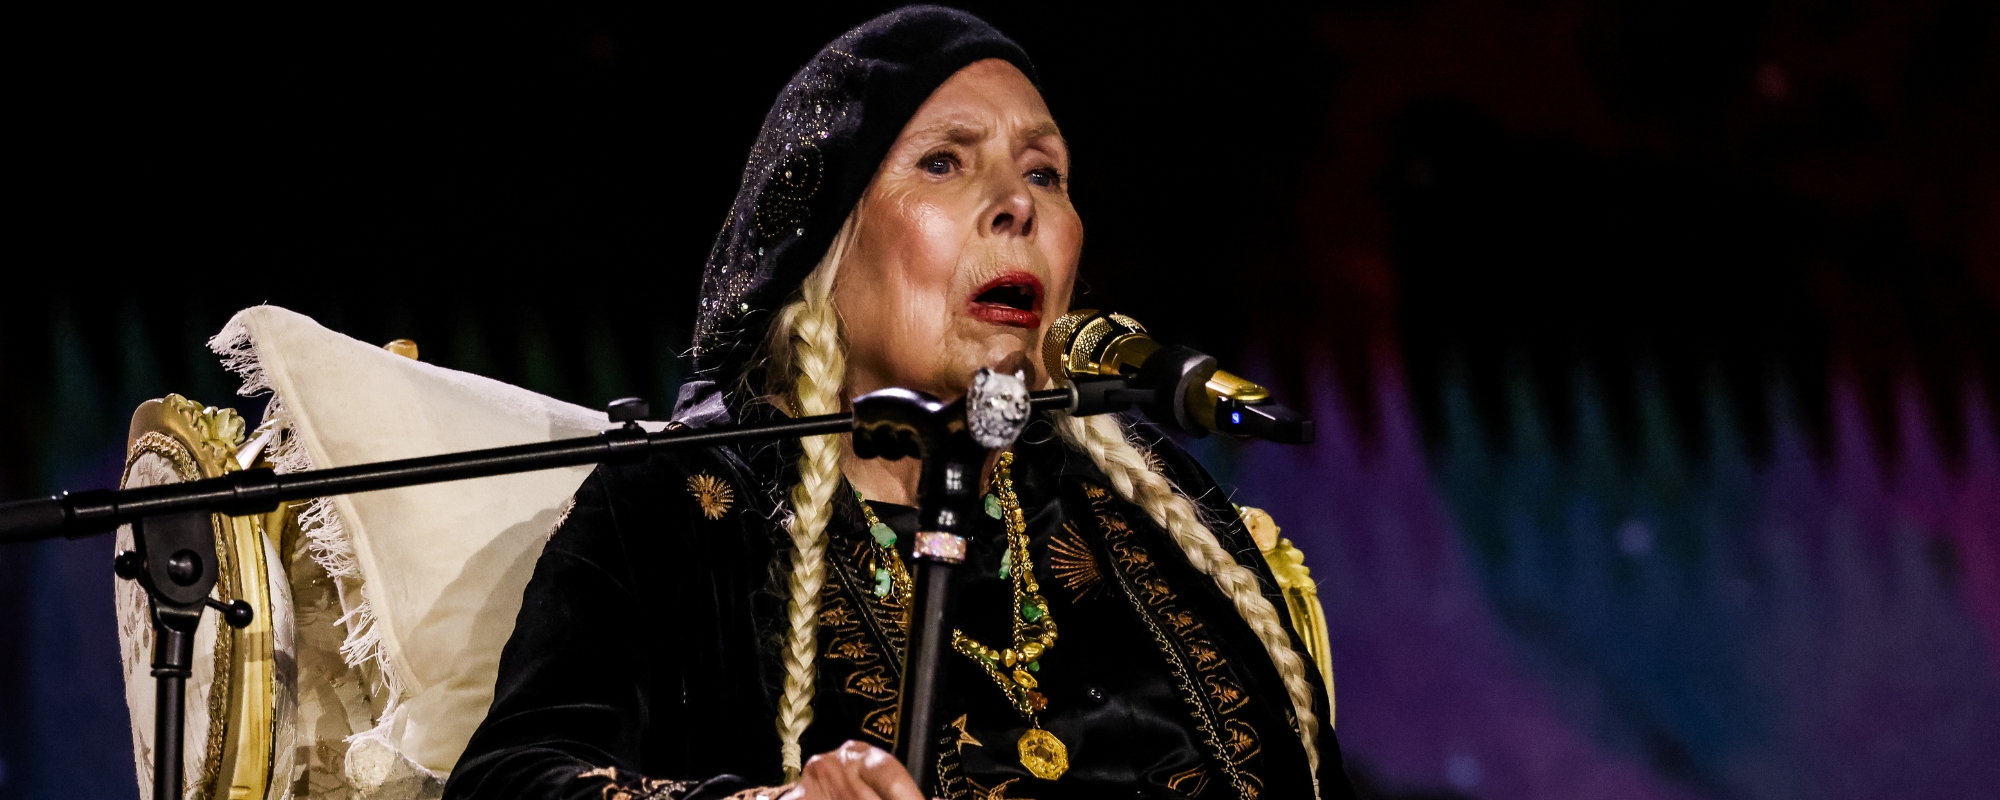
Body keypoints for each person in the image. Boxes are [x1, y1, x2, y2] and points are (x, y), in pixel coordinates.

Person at [443, 7, 1355, 800]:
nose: (1016, 205)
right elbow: (510, 780)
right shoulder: (683, 512)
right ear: (825, 244)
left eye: (1044, 173)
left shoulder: (1148, 508)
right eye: (945, 162)